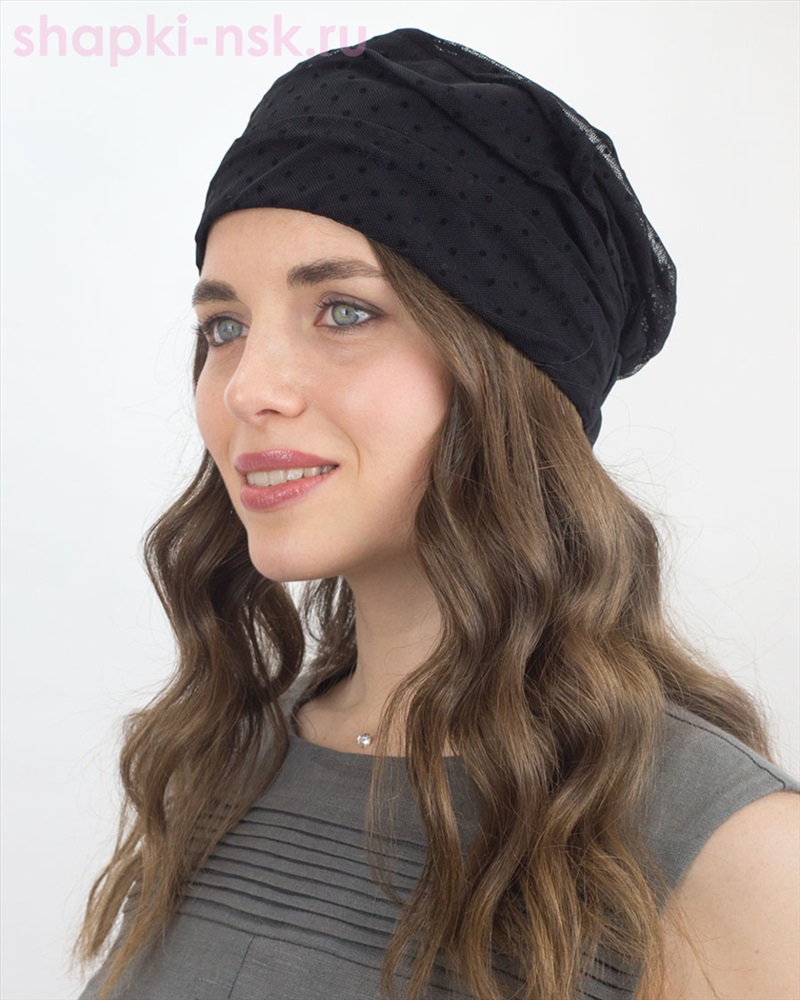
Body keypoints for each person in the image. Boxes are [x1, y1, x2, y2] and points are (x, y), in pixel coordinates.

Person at [76, 28, 799, 1000]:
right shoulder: (219, 765)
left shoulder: (725, 854)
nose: (246, 386)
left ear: (504, 373)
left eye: (343, 311)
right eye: (224, 326)